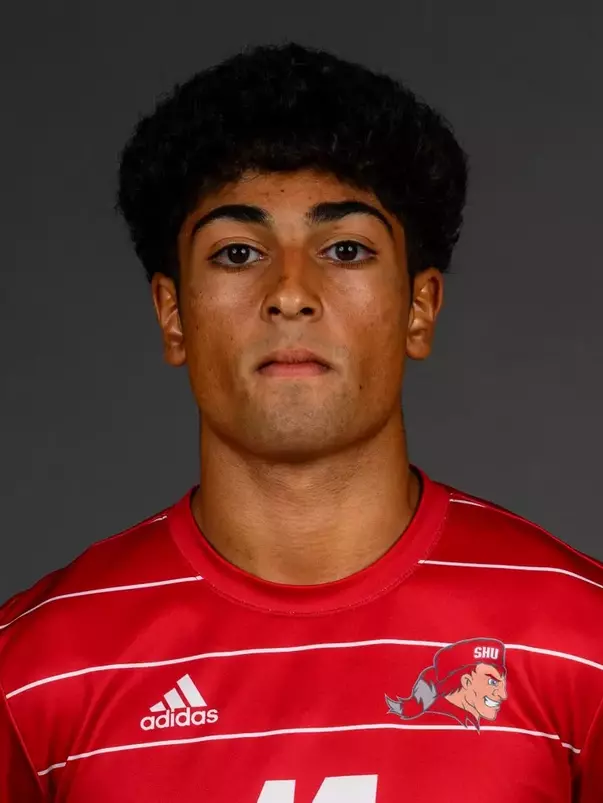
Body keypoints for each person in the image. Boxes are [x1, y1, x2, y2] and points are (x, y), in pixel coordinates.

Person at [0, 42, 601, 803]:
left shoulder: (584, 644)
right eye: (238, 251)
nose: (290, 292)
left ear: (419, 308)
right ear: (172, 313)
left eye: (344, 248)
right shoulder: (31, 672)